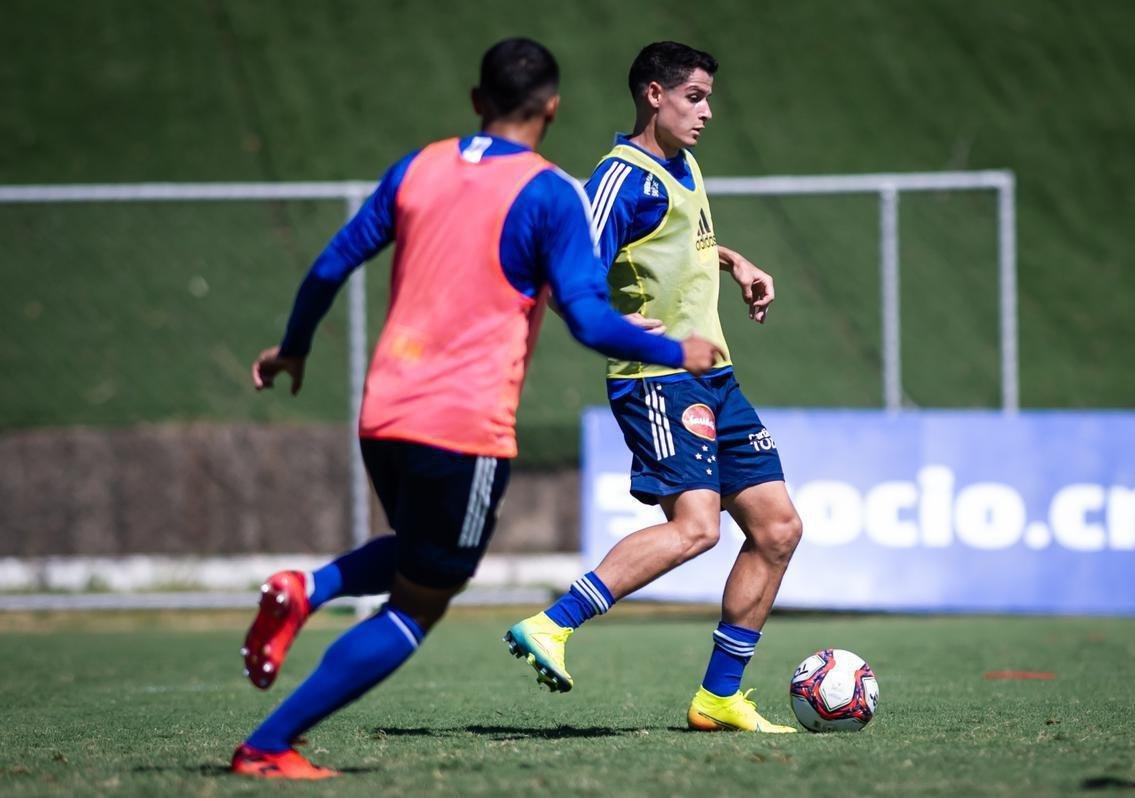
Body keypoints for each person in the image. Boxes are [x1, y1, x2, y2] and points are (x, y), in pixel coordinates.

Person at [231, 37, 724, 780]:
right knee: (420, 602)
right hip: (462, 426)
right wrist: (673, 352)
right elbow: (590, 320)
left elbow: (332, 262)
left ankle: (310, 588)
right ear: (552, 109)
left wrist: (293, 348)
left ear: (475, 102)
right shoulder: (551, 192)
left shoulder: (420, 166)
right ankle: (269, 744)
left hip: (383, 411)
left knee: (420, 548)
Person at [504, 41, 804, 733]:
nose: (707, 111)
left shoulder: (683, 164)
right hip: (660, 379)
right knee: (696, 529)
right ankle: (553, 623)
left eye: (708, 98)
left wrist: (734, 261)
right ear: (653, 95)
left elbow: (674, 242)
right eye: (694, 96)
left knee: (779, 529)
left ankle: (718, 697)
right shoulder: (620, 175)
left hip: (715, 376)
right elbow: (563, 267)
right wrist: (611, 322)